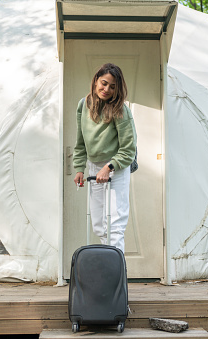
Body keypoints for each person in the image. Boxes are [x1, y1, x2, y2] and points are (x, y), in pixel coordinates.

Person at [73, 63, 137, 253]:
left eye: (112, 87)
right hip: (94, 166)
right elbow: (80, 141)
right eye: (103, 83)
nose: (106, 89)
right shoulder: (83, 105)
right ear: (95, 81)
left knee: (115, 225)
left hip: (115, 167)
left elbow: (128, 150)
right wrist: (79, 168)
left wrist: (109, 167)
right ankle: (110, 265)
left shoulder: (121, 111)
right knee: (99, 224)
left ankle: (116, 275)